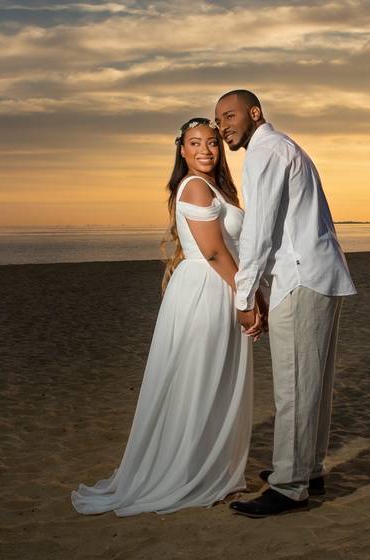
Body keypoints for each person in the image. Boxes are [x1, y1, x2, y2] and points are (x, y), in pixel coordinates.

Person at [71, 117, 263, 516]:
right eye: (195, 144)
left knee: (211, 379)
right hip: (207, 289)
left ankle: (206, 466)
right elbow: (213, 252)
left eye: (212, 143)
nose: (205, 150)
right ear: (182, 150)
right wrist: (246, 298)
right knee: (200, 378)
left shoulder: (213, 187)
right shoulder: (193, 186)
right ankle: (189, 470)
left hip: (217, 285)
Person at [214, 90, 357, 518]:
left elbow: (259, 229)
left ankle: (290, 486)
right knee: (314, 383)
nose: (223, 126)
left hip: (300, 279)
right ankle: (308, 469)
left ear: (254, 113)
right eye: (218, 119)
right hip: (320, 276)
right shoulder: (285, 146)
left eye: (230, 115)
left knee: (294, 387)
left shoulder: (267, 151)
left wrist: (244, 294)